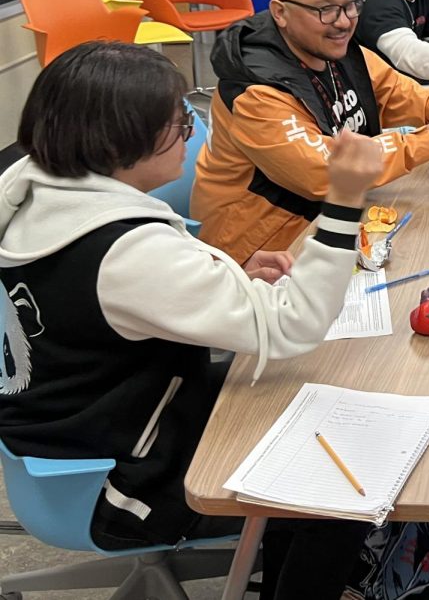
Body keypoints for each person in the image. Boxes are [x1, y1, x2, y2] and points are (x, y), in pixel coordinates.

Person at [0, 41, 383, 598]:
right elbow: (293, 327)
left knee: (312, 403)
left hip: (70, 422)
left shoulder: (29, 180)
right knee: (341, 485)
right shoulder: (128, 254)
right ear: (120, 142)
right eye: (179, 122)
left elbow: (105, 292)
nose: (191, 129)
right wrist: (344, 202)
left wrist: (220, 269)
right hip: (117, 480)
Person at [192, 0, 429, 263]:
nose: (343, 22)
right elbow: (322, 173)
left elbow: (390, 89)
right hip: (259, 250)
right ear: (280, 12)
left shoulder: (331, 47)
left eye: (350, 6)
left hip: (325, 219)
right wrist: (427, 142)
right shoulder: (255, 90)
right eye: (326, 10)